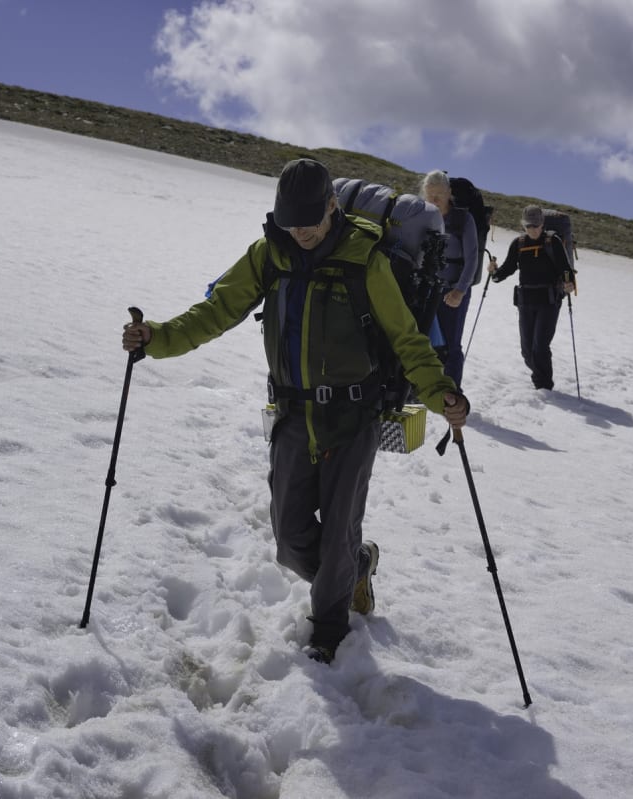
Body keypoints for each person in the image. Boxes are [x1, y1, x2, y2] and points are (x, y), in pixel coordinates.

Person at [121, 158, 470, 664]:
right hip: (291, 414)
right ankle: (357, 566)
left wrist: (444, 397)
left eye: (309, 223)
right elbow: (217, 310)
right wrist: (156, 338)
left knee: (336, 540)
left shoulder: (365, 260)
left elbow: (407, 339)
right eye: (291, 225)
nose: (301, 234)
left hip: (354, 417)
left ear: (332, 206)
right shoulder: (270, 254)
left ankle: (328, 638)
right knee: (289, 540)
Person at [487, 204, 576, 390]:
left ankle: (544, 387)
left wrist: (569, 283)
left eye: (535, 225)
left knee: (540, 347)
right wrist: (494, 274)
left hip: (549, 301)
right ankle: (541, 379)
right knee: (527, 351)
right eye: (528, 226)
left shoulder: (553, 242)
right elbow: (507, 269)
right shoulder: (519, 244)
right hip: (525, 301)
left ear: (542, 224)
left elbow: (565, 269)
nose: (532, 230)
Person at [419, 170, 480, 387]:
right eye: (430, 195)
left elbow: (472, 259)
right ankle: (424, 388)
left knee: (451, 344)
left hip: (453, 290)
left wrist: (460, 291)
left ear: (449, 193)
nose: (434, 200)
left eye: (439, 194)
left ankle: (452, 393)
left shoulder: (464, 219)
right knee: (422, 340)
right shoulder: (422, 215)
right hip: (425, 288)